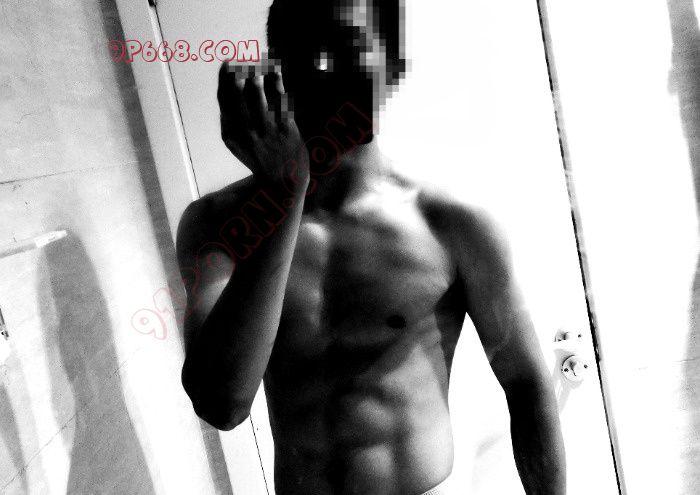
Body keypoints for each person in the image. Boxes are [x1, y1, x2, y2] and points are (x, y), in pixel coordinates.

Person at [177, 0, 566, 493]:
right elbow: (221, 404)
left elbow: (526, 384)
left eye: (347, 48)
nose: (324, 70)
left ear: (391, 67)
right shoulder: (218, 225)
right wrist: (285, 189)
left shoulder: (451, 222)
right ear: (277, 70)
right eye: (305, 52)